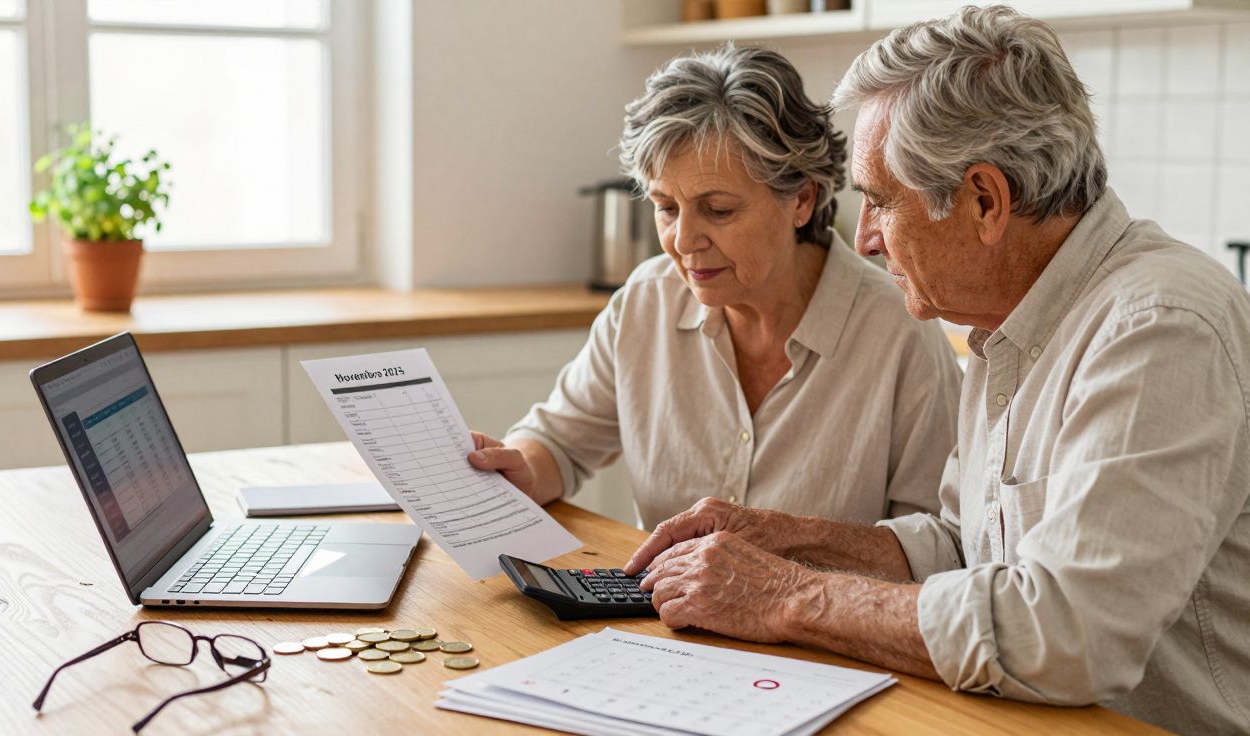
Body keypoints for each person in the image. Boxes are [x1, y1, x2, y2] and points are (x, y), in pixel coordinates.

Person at [623, 6, 1250, 734]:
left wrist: (785, 594)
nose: (864, 237)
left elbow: (1067, 634)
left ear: (985, 201)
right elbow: (960, 547)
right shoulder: (1008, 319)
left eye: (881, 201)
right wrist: (777, 538)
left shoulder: (1159, 326)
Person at [468, 44, 961, 530]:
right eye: (666, 208)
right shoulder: (646, 302)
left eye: (718, 210)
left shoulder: (898, 333)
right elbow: (558, 443)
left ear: (802, 200)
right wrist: (523, 465)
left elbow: (935, 540)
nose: (683, 241)